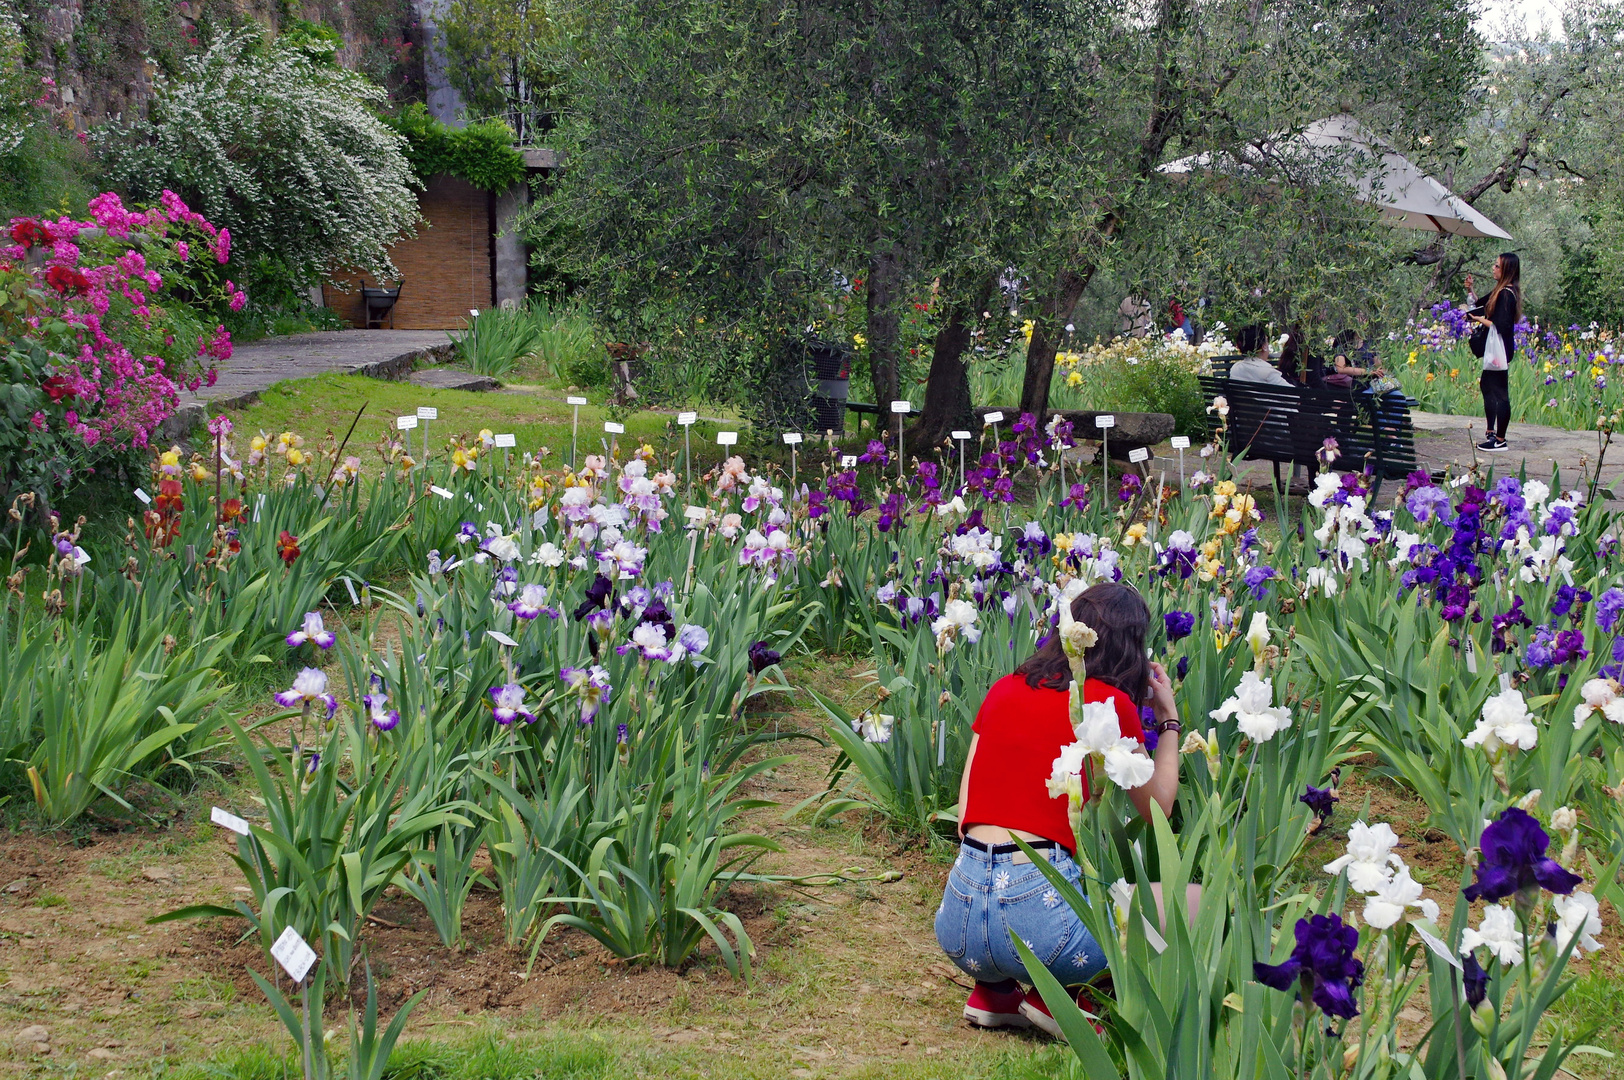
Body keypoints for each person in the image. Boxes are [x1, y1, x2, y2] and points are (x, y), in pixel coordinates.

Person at [935, 583, 1186, 1038]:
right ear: (1133, 650)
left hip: (959, 923)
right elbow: (1159, 809)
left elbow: (967, 804)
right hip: (1046, 932)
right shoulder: (1111, 705)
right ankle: (1073, 997)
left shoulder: (1003, 689)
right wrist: (1168, 720)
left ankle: (992, 992)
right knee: (1192, 900)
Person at [1469, 252, 1521, 452]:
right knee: (1487, 386)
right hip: (1496, 347)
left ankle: (1500, 439)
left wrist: (1479, 320)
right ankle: (1491, 433)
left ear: (1506, 269)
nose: (1493, 268)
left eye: (1497, 266)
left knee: (1499, 391)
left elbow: (1502, 325)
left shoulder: (1507, 294)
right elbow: (1482, 304)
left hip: (1500, 349)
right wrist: (1471, 290)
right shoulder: (1501, 290)